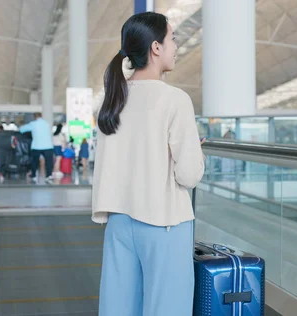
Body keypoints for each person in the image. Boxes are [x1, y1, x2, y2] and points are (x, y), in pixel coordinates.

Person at [92, 12, 205, 316]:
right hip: (163, 222)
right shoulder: (174, 99)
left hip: (119, 222)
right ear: (156, 47)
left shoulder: (112, 98)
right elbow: (189, 174)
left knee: (118, 308)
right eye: (172, 39)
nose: (176, 46)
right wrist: (197, 153)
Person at [19, 113, 55, 181]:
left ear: (35, 117)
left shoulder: (33, 124)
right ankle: (49, 175)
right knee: (49, 162)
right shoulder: (47, 124)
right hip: (48, 146)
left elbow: (21, 130)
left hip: (37, 146)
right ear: (41, 116)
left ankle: (34, 175)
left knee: (34, 161)